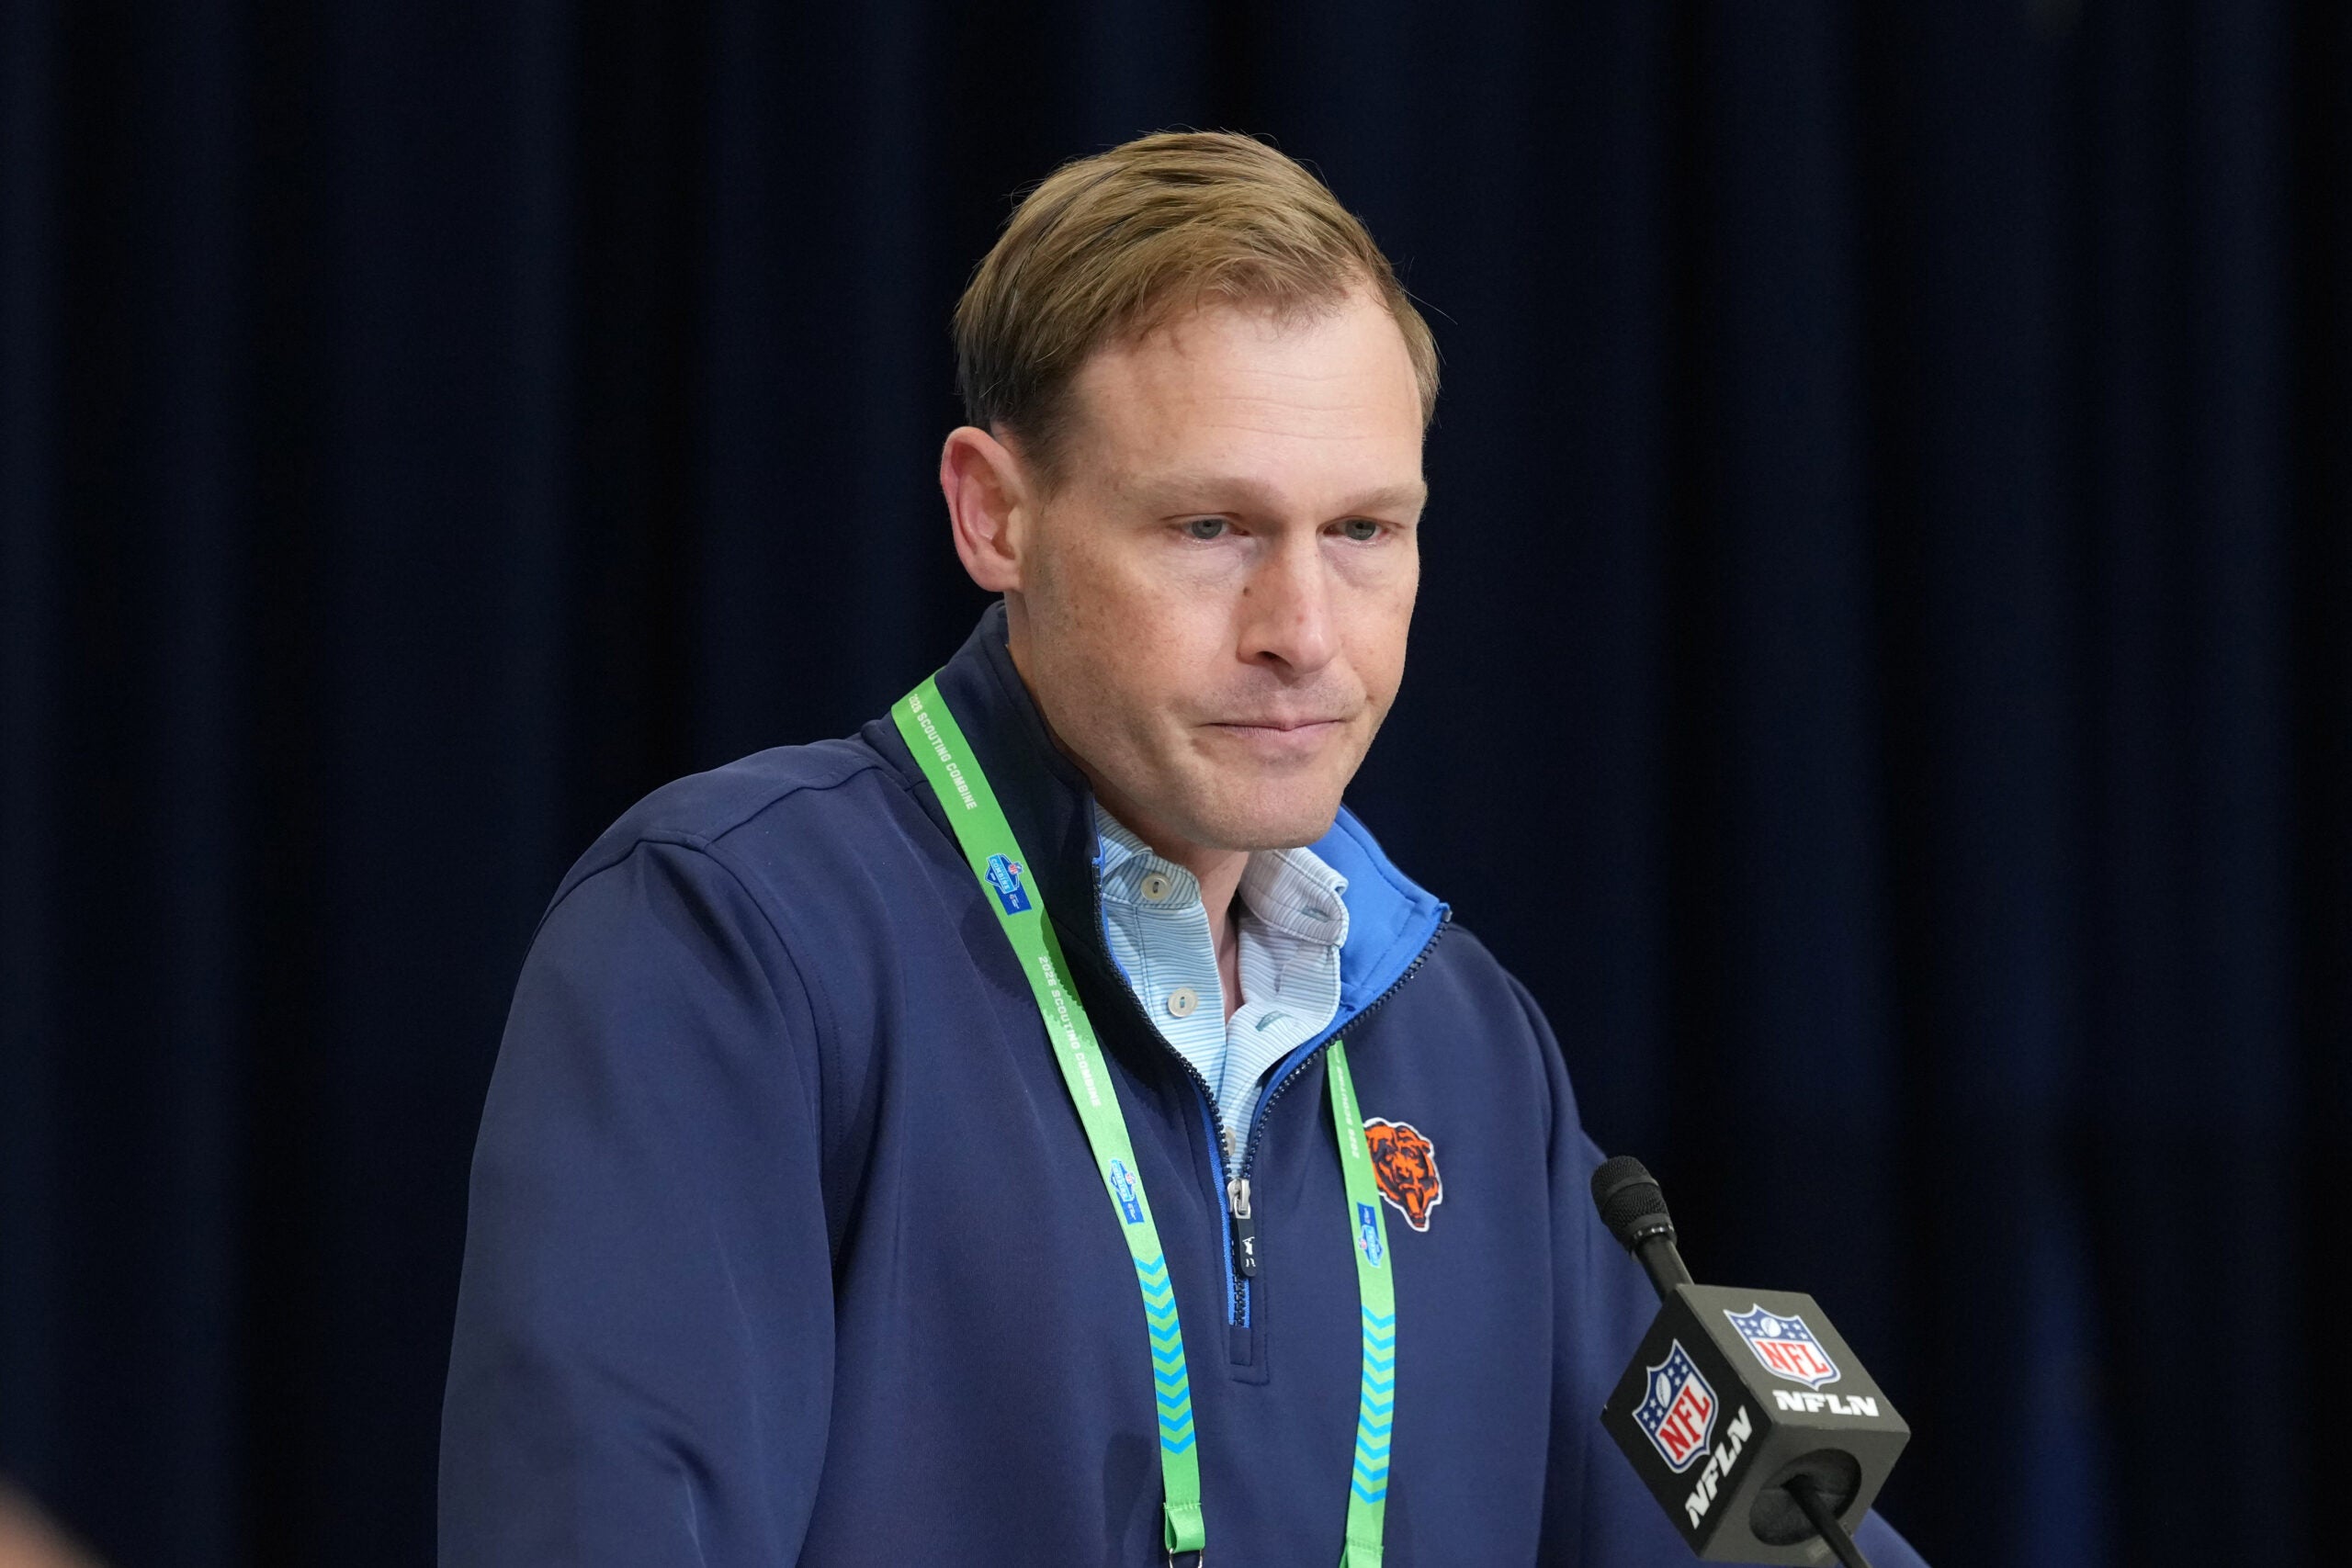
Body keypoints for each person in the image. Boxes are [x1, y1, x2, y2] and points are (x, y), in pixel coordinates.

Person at [439, 130, 1927, 1567]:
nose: (1303, 632)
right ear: (994, 515)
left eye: (1364, 531)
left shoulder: (1467, 1044)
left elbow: (1783, 1537)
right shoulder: (735, 938)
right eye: (1213, 528)